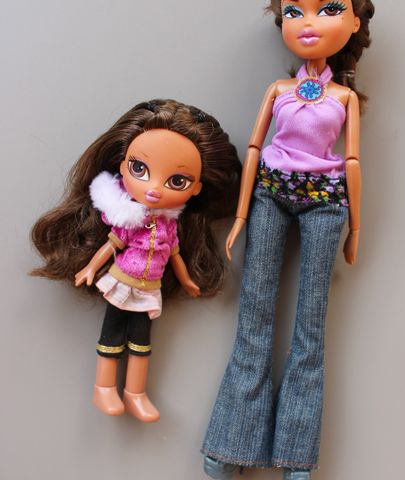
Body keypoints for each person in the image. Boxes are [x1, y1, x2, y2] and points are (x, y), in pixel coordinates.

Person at [202, 0, 374, 477]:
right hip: (271, 193)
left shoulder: (344, 97)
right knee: (254, 314)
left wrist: (356, 226)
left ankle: (296, 455)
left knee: (310, 328)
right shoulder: (278, 89)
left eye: (330, 9)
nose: (309, 23)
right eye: (295, 11)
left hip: (325, 201)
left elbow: (352, 161)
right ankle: (232, 443)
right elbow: (255, 148)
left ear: (354, 21)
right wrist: (241, 214)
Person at [31, 99, 241, 422]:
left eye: (177, 181)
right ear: (122, 165)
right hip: (122, 282)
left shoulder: (169, 227)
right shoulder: (130, 220)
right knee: (112, 334)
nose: (154, 189)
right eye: (139, 169)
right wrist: (90, 268)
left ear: (197, 187)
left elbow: (175, 256)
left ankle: (135, 392)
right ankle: (103, 388)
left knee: (141, 341)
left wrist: (187, 280)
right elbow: (111, 245)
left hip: (148, 290)